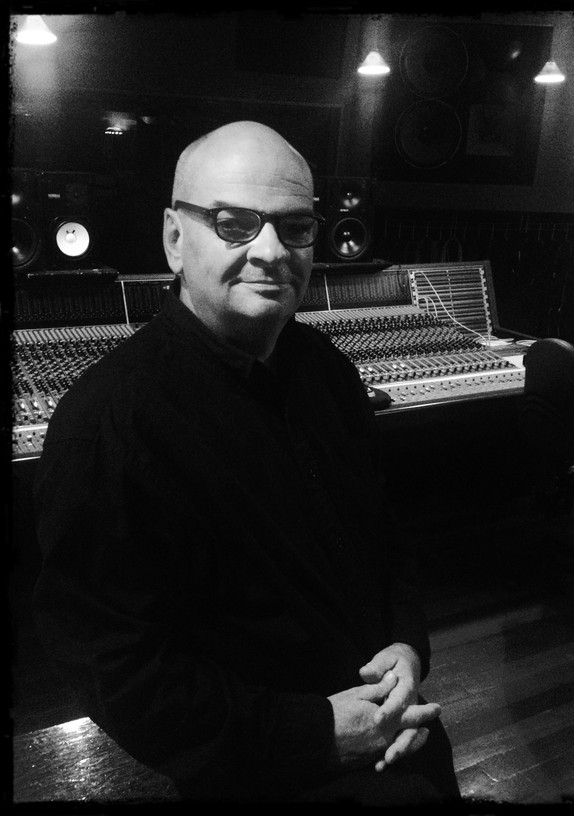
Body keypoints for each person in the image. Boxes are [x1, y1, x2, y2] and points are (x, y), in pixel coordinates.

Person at [32, 121, 461, 804]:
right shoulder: (108, 422)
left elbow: (384, 539)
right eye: (234, 223)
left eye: (295, 227)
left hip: (396, 728)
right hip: (262, 774)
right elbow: (119, 671)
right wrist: (318, 732)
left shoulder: (327, 371)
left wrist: (408, 649)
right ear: (175, 238)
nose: (271, 251)